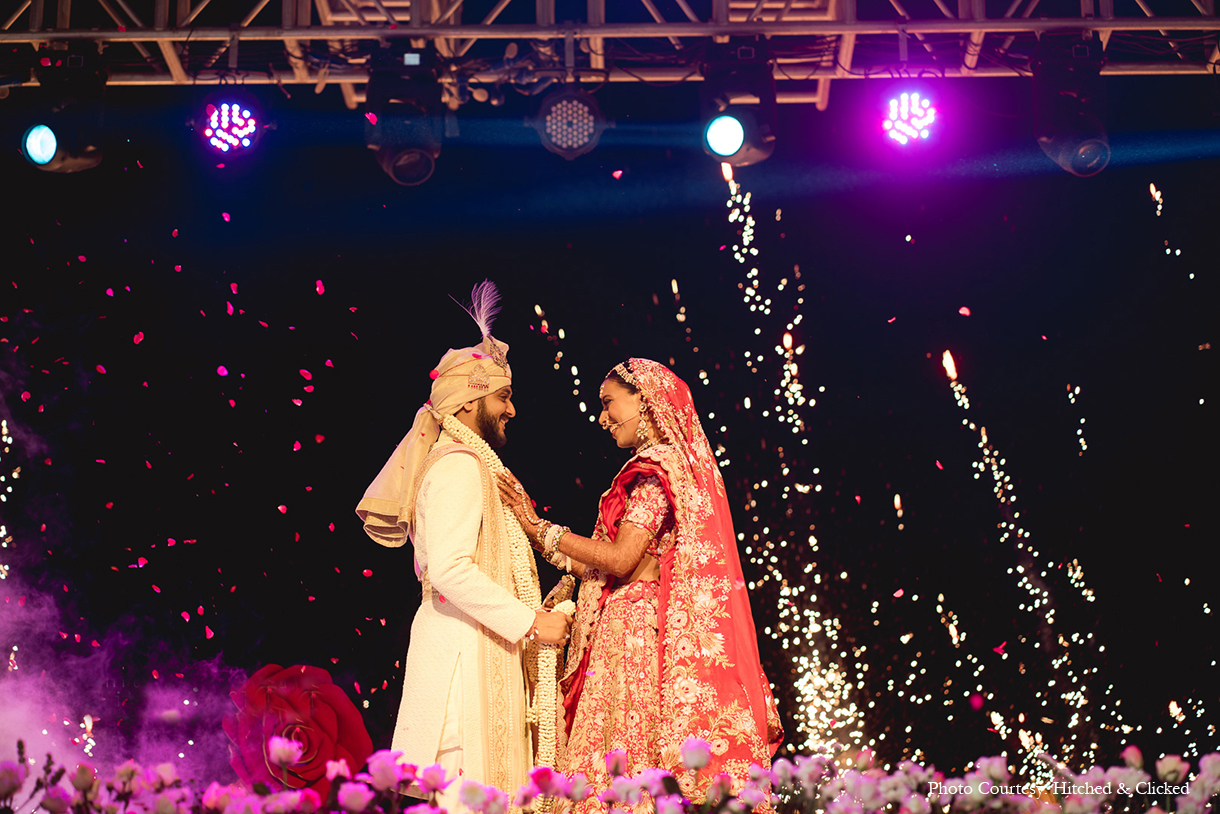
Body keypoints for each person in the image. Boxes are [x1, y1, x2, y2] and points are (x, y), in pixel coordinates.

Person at [497, 358, 782, 811]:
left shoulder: (654, 469)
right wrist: (541, 538)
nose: (603, 418)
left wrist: (538, 527)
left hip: (632, 633)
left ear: (644, 401)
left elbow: (620, 558)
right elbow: (607, 563)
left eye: (609, 404)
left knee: (627, 772)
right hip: (631, 625)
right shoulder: (670, 467)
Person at [356, 281, 571, 811]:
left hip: (472, 651)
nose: (512, 410)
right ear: (472, 399)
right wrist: (532, 623)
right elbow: (449, 569)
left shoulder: (469, 462)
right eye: (504, 396)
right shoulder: (457, 464)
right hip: (459, 670)